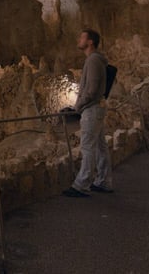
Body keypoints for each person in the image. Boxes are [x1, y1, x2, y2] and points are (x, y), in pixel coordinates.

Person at [62, 29, 113, 197]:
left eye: (82, 37)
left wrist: (78, 106)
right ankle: (103, 181)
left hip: (91, 109)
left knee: (88, 146)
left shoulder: (92, 61)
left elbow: (91, 90)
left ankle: (81, 184)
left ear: (90, 42)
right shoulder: (95, 60)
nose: (79, 40)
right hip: (96, 107)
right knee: (100, 146)